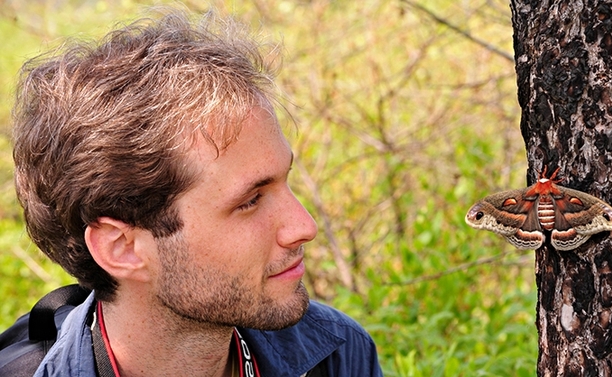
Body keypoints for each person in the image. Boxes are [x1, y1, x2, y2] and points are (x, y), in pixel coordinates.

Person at [11, 8, 382, 377]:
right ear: (121, 248)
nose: (304, 226)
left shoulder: (334, 355)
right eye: (250, 201)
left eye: (285, 179)